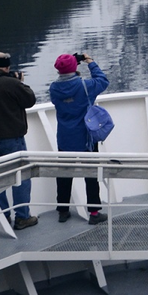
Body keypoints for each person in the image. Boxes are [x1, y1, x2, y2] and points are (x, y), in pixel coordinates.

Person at [0, 52, 39, 229]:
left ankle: (3, 217)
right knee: (21, 177)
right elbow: (30, 100)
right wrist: (21, 82)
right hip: (12, 138)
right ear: (7, 67)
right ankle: (22, 217)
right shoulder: (12, 83)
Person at [48, 53, 110, 225]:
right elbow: (103, 80)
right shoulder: (85, 86)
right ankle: (94, 212)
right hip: (85, 138)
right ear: (74, 67)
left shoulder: (54, 88)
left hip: (65, 137)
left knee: (64, 174)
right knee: (91, 174)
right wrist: (90, 62)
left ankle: (63, 210)